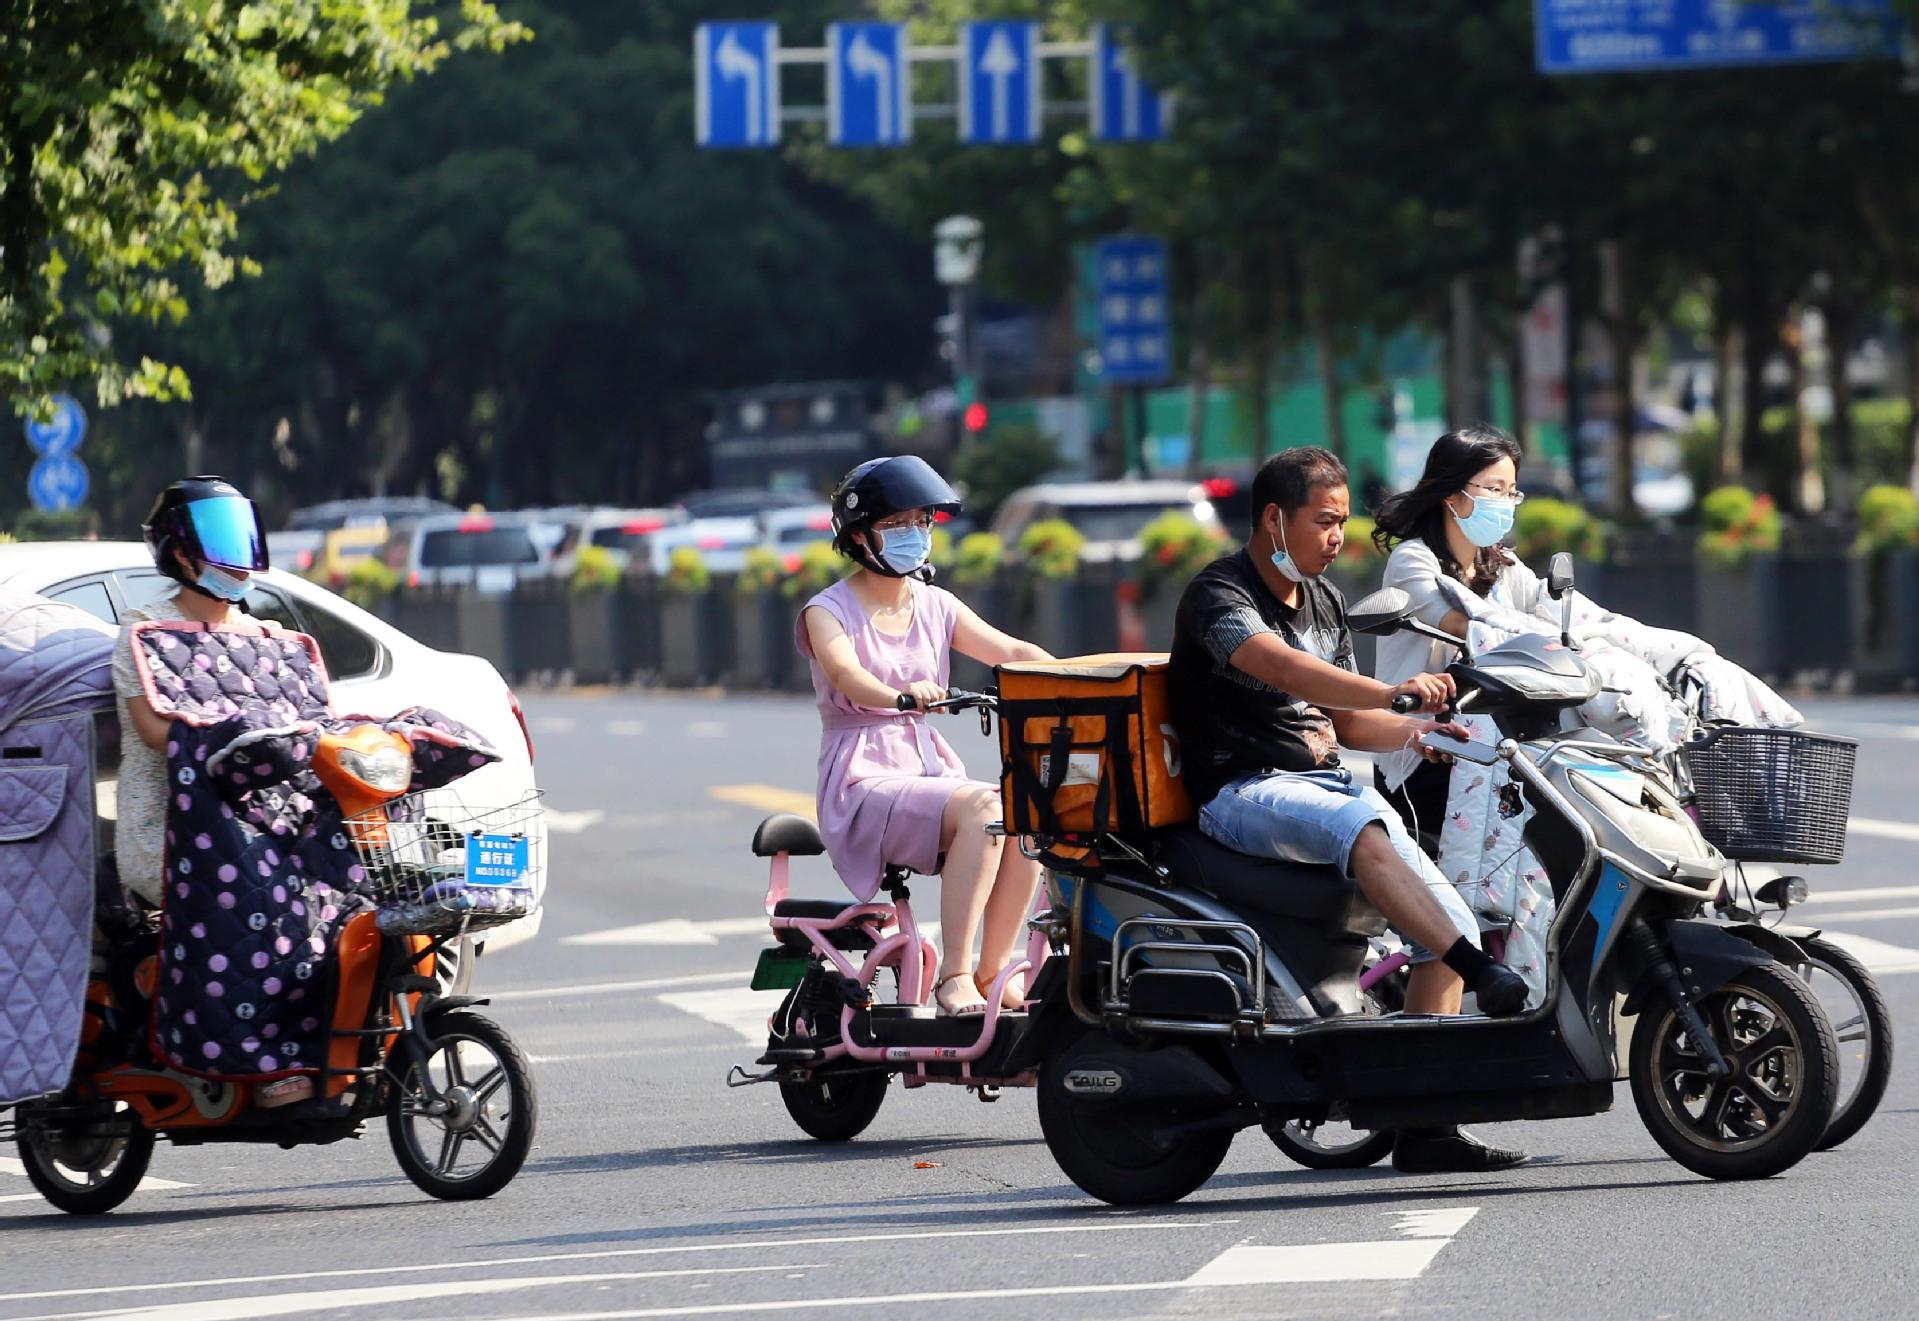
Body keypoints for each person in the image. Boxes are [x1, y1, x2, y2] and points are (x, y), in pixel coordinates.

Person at [1167, 445, 1527, 1174]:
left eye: (1342, 523)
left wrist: (1421, 733)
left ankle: (1427, 1127)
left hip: (1322, 784)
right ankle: (1480, 974)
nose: (1337, 538)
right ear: (1274, 519)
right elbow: (1283, 667)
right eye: (1323, 522)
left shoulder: (1324, 599)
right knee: (1357, 824)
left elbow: (1352, 723)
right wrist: (1395, 694)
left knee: (1446, 918)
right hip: (1239, 791)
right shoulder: (1219, 595)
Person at [798, 457, 1053, 1017]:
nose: (915, 534)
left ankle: (992, 972)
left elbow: (1011, 652)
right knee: (988, 807)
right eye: (897, 524)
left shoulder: (934, 602)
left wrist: (1079, 677)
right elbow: (847, 674)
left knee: (1026, 811)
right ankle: (954, 978)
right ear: (859, 536)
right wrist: (901, 696)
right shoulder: (827, 610)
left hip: (925, 770)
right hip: (863, 778)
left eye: (923, 522)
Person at [1368, 424, 1534, 845]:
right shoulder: (1413, 562)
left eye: (1511, 491)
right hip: (1423, 748)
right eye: (1493, 489)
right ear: (1450, 493)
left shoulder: (1504, 567)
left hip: (1497, 743)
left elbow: (1560, 620)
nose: (1505, 503)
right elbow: (1466, 625)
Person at [112, 476, 270, 906]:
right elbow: (154, 732)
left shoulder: (265, 636)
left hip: (250, 821)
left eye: (242, 538)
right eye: (223, 541)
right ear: (180, 553)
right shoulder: (143, 630)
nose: (239, 559)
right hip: (167, 829)